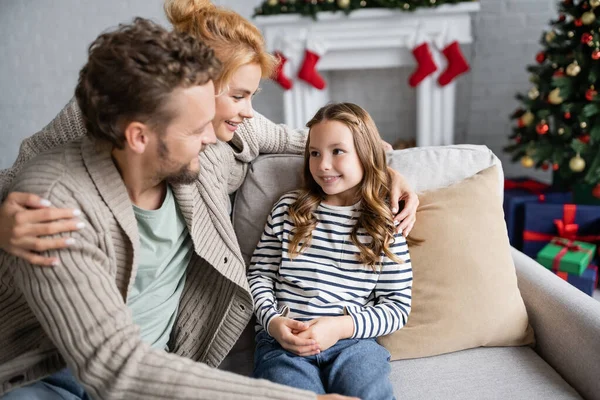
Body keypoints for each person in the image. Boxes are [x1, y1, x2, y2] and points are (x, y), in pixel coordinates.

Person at [0, 18, 357, 400]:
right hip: (53, 376)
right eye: (196, 128)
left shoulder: (209, 150)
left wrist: (378, 173)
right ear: (138, 136)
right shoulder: (54, 204)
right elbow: (115, 367)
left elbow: (290, 138)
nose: (211, 138)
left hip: (157, 370)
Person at [0, 0, 419, 268]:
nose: (250, 111)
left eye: (252, 95)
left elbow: (307, 140)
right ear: (194, 81)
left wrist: (383, 170)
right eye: (238, 95)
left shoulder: (239, 132)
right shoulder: (103, 113)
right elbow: (19, 174)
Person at [248, 103, 414, 400]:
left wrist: (340, 327)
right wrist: (273, 323)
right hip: (285, 346)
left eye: (337, 151)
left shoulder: (385, 222)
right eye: (315, 153)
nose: (323, 165)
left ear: (365, 154)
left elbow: (397, 307)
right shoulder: (288, 209)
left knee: (369, 393)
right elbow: (259, 276)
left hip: (353, 343)